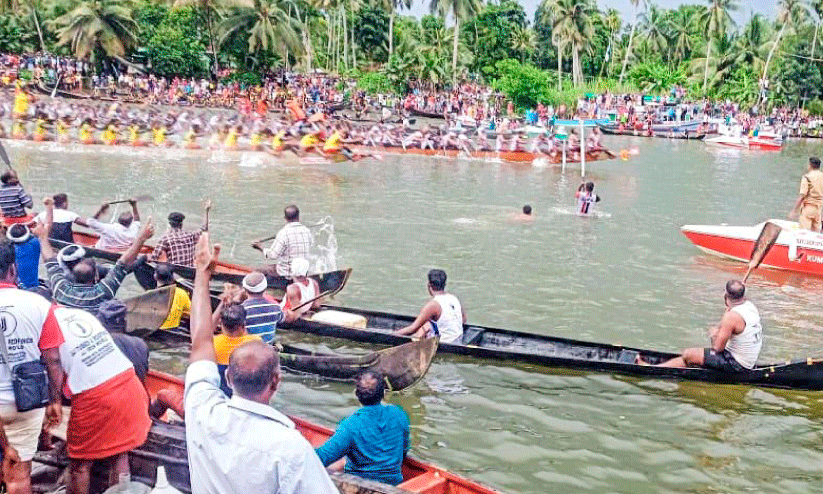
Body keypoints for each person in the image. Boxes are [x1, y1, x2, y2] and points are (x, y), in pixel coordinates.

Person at [184, 232, 339, 494]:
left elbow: (200, 342)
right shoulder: (291, 447)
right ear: (276, 382)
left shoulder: (203, 412)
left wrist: (202, 275)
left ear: (229, 379)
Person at [52, 306, 151, 494]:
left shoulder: (50, 328)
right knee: (120, 453)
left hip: (99, 400)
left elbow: (58, 378)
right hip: (133, 393)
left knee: (80, 465)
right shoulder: (138, 342)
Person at [0, 236, 64, 494]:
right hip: (24, 402)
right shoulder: (39, 304)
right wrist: (55, 400)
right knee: (18, 474)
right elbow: (54, 360)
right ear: (13, 270)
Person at [41, 217, 155, 313]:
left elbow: (50, 261)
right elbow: (122, 264)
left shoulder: (60, 289)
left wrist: (42, 237)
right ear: (96, 277)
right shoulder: (102, 292)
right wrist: (142, 239)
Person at [641, 281, 762, 370]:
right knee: (689, 357)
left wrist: (713, 335)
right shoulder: (749, 306)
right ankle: (656, 367)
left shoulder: (731, 317)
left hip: (737, 364)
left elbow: (717, 348)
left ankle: (650, 369)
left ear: (726, 295)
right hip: (747, 360)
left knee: (688, 354)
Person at [316, 370, 410, 485]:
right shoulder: (399, 414)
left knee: (338, 464)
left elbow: (321, 458)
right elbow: (404, 451)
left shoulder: (350, 425)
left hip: (359, 487)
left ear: (356, 394)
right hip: (393, 484)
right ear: (383, 393)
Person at [396, 269, 466, 344]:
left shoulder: (432, 305)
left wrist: (392, 335)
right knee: (426, 324)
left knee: (420, 330)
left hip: (444, 343)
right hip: (457, 340)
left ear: (429, 285)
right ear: (444, 285)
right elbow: (463, 320)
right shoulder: (454, 298)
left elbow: (412, 329)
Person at [96, 300, 150, 384]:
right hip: (138, 392)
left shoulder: (97, 345)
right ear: (125, 322)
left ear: (100, 322)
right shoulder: (140, 343)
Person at [213, 302, 262, 396]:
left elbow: (207, 329)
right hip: (245, 393)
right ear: (243, 325)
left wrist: (221, 304)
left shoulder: (212, 343)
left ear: (221, 324)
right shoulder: (255, 342)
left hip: (220, 392)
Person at [252, 205, 312, 277]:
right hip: (303, 271)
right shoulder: (306, 230)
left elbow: (273, 255)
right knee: (273, 266)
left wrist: (260, 248)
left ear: (285, 218)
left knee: (258, 270)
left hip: (286, 273)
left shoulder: (283, 233)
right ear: (299, 217)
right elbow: (310, 244)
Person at [241, 271, 295, 344]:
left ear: (244, 290)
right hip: (268, 349)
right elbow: (287, 318)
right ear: (265, 288)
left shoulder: (241, 309)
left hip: (248, 351)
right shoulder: (275, 308)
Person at [789, 157, 823, 231]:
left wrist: (794, 210)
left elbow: (802, 195)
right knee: (816, 233)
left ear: (810, 165)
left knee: (804, 232)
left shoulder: (807, 177)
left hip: (808, 208)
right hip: (818, 209)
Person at [155, 263, 191, 330]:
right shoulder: (182, 293)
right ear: (172, 277)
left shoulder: (150, 295)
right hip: (173, 332)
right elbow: (190, 313)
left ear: (155, 276)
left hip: (155, 333)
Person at [6, 224, 39, 290]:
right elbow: (47, 226)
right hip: (33, 287)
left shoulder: (7, 250)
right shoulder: (35, 243)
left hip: (13, 287)